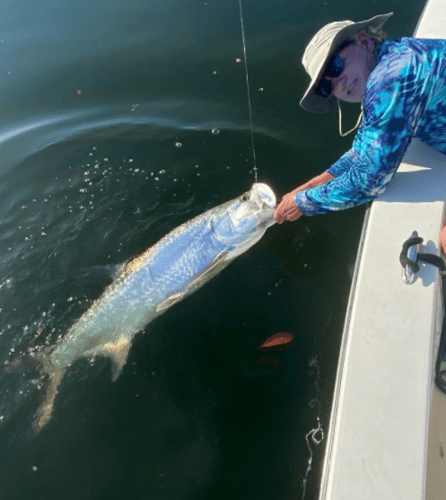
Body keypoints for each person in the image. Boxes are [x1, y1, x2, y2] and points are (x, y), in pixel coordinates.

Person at [273, 13, 446, 250]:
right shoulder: (391, 58)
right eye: (326, 86)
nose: (338, 83)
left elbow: (371, 181)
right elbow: (362, 152)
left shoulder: (392, 79)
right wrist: (308, 187)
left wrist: (303, 203)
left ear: (364, 40)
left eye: (336, 65)